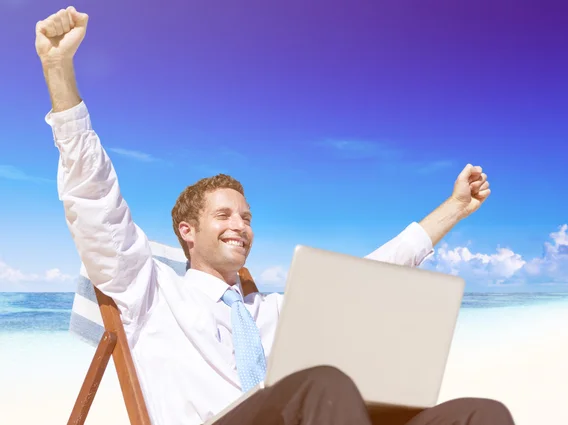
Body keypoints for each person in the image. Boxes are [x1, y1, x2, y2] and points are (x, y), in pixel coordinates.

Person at [35, 7, 513, 425]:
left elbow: (375, 273)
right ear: (186, 231)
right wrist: (59, 71)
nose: (240, 226)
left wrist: (453, 209)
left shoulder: (276, 312)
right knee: (322, 385)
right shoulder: (148, 290)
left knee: (481, 414)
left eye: (246, 217)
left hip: (303, 410)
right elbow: (96, 202)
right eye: (223, 215)